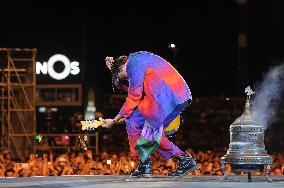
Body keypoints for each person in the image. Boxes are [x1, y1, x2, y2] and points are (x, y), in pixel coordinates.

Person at [102, 51, 197, 177]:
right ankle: (154, 162)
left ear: (123, 65)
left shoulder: (132, 64)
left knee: (142, 128)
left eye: (121, 75)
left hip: (165, 97)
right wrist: (113, 69)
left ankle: (153, 163)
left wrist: (114, 121)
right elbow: (129, 86)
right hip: (178, 96)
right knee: (143, 127)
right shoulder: (138, 60)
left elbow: (134, 96)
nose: (125, 78)